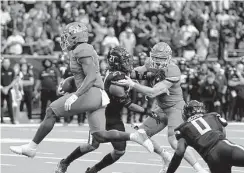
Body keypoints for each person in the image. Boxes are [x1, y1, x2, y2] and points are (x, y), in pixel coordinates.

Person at [9, 22, 153, 159]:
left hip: (91, 93)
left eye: (68, 35)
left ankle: (31, 147)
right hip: (96, 94)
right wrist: (69, 82)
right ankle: (135, 137)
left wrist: (76, 95)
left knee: (51, 112)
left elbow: (90, 76)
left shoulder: (82, 49)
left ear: (76, 36)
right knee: (100, 135)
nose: (65, 38)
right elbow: (84, 75)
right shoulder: (78, 50)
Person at [55, 46, 160, 173]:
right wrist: (147, 112)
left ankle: (93, 170)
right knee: (92, 145)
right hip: (102, 115)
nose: (128, 63)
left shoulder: (120, 73)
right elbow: (130, 105)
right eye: (125, 60)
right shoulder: (115, 82)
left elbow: (138, 73)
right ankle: (65, 162)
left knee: (119, 151)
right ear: (117, 62)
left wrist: (155, 72)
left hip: (115, 116)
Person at [114, 42, 210, 173]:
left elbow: (153, 92)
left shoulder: (173, 70)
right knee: (140, 134)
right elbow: (136, 72)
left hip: (176, 108)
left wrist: (132, 84)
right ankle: (165, 156)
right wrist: (120, 72)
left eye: (162, 58)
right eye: (156, 58)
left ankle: (201, 171)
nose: (158, 62)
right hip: (161, 108)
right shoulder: (149, 64)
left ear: (169, 58)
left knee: (174, 141)